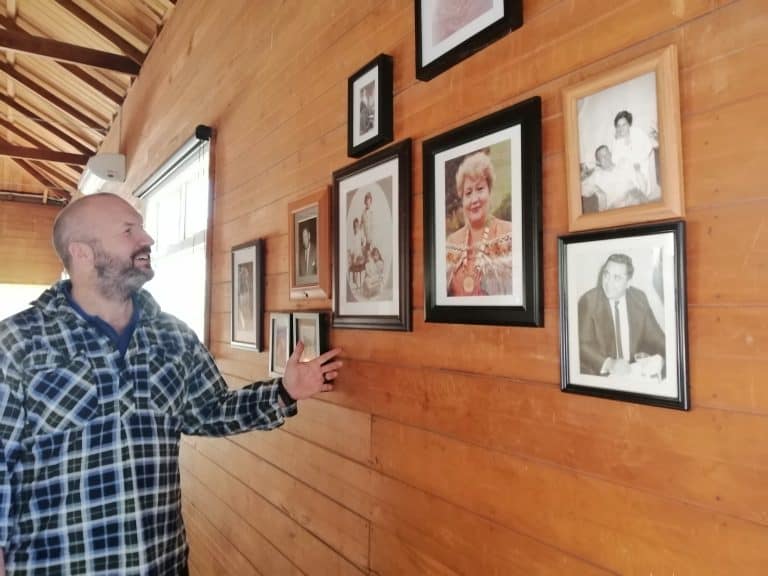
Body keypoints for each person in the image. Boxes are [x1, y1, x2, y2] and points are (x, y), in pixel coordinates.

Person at [0, 193, 342, 575]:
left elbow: (210, 411)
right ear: (81, 253)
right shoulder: (19, 342)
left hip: (163, 563)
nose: (147, 239)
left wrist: (284, 391)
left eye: (141, 227)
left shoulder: (173, 336)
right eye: (129, 230)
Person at [577, 253, 665, 377]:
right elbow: (582, 345)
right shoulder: (588, 301)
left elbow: (659, 339)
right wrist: (609, 364)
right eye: (606, 275)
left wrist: (660, 359)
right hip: (602, 376)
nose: (608, 282)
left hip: (633, 373)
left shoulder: (639, 298)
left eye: (617, 278)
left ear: (629, 282)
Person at [445, 150, 513, 296]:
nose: (474, 199)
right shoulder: (452, 242)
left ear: (489, 191)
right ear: (462, 199)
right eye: (468, 193)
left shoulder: (508, 233)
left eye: (480, 189)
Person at [581, 145, 648, 212]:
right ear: (598, 162)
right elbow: (582, 190)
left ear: (610, 154)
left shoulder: (623, 164)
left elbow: (641, 182)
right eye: (602, 157)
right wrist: (596, 189)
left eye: (607, 154)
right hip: (617, 206)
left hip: (635, 198)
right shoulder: (597, 175)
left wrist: (638, 172)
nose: (606, 157)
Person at [611, 110, 659, 201]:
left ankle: (642, 197)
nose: (621, 128)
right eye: (618, 126)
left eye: (624, 124)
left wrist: (637, 163)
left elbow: (648, 147)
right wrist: (617, 141)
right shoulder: (617, 139)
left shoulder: (638, 132)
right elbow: (614, 159)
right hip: (626, 170)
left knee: (641, 186)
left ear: (629, 124)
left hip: (640, 165)